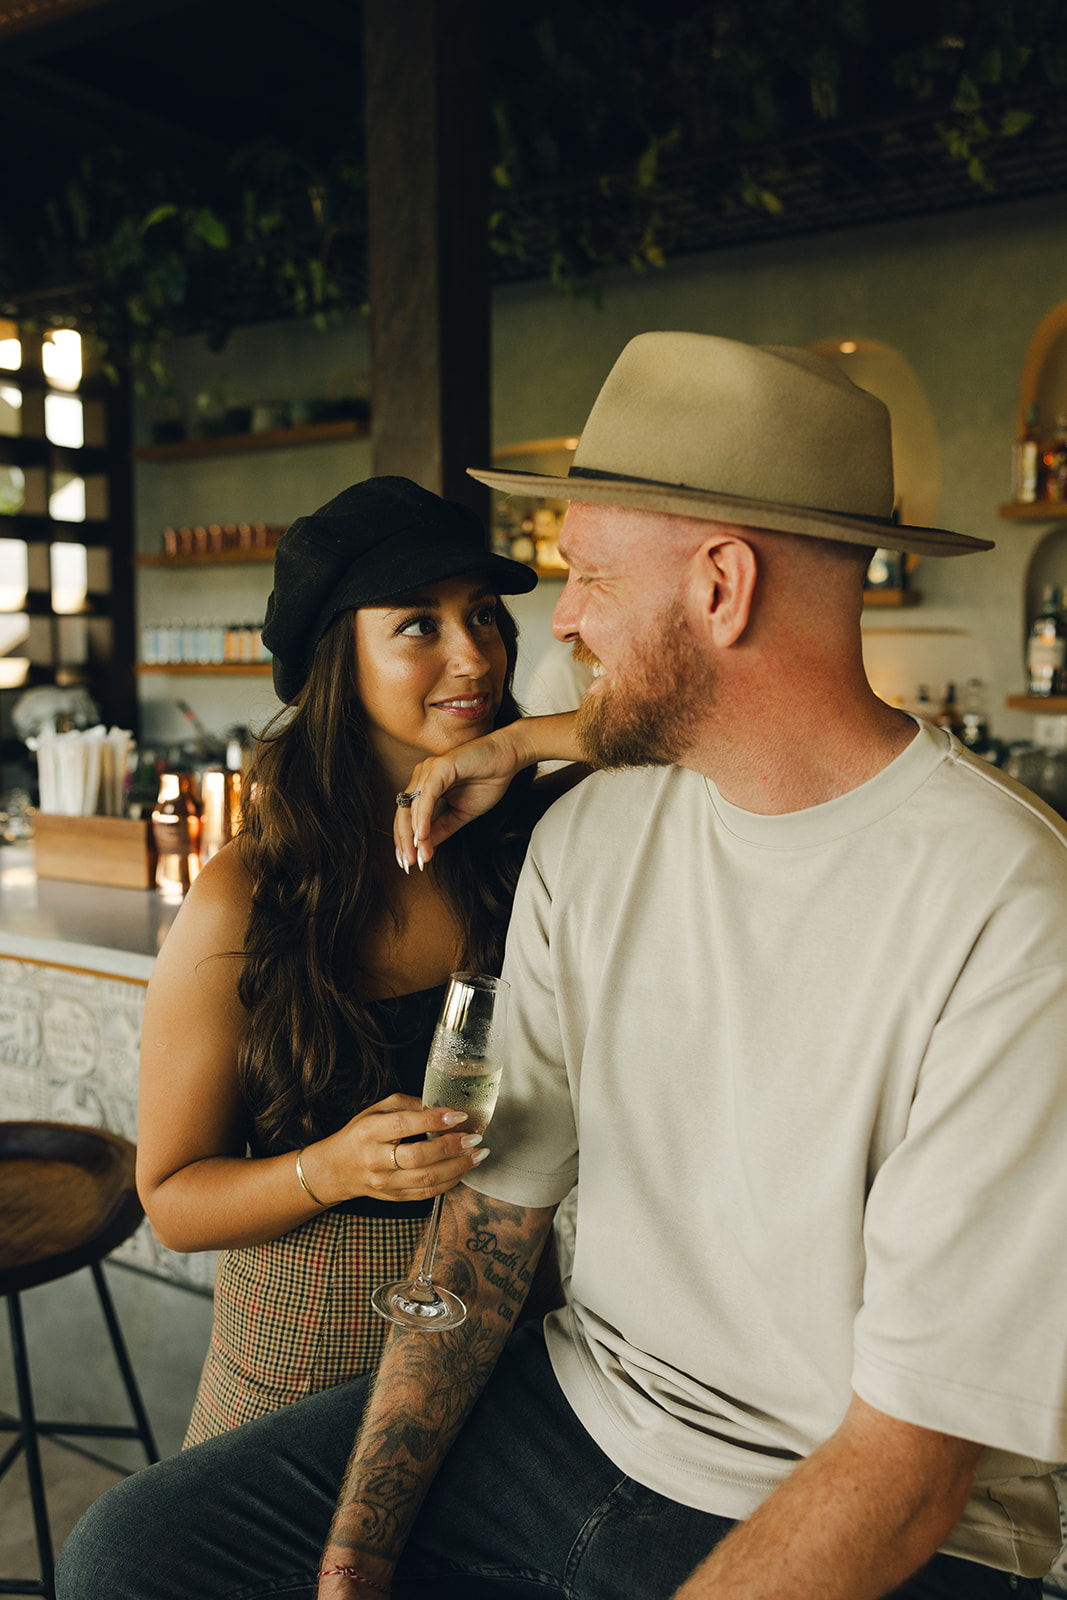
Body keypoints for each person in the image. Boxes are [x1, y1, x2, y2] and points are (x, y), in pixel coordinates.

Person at [57, 336, 1067, 1600]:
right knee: (133, 1556)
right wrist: (356, 1558)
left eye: (582, 574)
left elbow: (910, 1461)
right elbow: (485, 1231)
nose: (556, 620)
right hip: (576, 1414)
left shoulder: (1008, 905)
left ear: (719, 586)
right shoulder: (585, 833)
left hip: (865, 1499)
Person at [134, 474, 575, 1444]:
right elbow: (170, 1198)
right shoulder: (246, 896)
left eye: (486, 616)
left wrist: (524, 746)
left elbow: (699, 751)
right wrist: (329, 1168)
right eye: (418, 624)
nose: (475, 654)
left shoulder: (531, 844)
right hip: (300, 1379)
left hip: (503, 1358)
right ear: (343, 659)